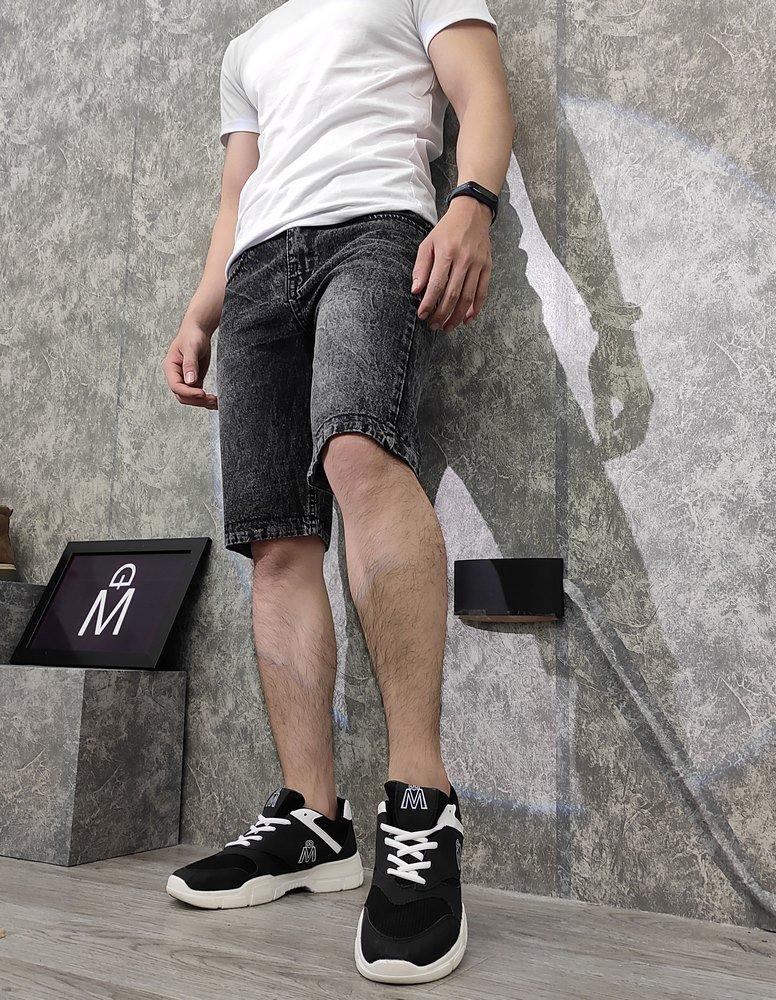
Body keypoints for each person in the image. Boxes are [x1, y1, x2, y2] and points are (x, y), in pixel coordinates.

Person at [161, 0, 514, 984]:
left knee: (359, 455)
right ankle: (312, 822)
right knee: (275, 539)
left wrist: (472, 203)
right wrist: (199, 313)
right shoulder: (247, 47)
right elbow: (237, 192)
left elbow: (482, 90)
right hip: (257, 273)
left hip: (376, 228)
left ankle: (420, 806)